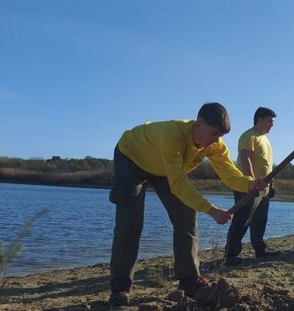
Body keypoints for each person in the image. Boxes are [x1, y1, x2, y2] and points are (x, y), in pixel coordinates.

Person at [107, 103, 266, 307]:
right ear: (198, 124)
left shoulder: (215, 144)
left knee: (186, 218)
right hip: (132, 157)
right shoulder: (173, 135)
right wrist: (211, 209)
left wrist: (249, 183)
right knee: (130, 224)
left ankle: (189, 281)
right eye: (214, 134)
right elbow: (179, 184)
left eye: (220, 136)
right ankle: (120, 287)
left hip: (164, 169)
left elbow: (229, 173)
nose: (216, 141)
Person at [224, 107, 280, 266]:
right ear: (259, 119)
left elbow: (266, 164)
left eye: (272, 122)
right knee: (243, 219)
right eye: (269, 121)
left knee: (260, 219)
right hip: (248, 186)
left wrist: (271, 183)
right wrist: (253, 181)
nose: (272, 125)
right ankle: (230, 255)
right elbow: (245, 158)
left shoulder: (265, 139)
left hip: (264, 187)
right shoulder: (249, 136)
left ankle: (260, 250)